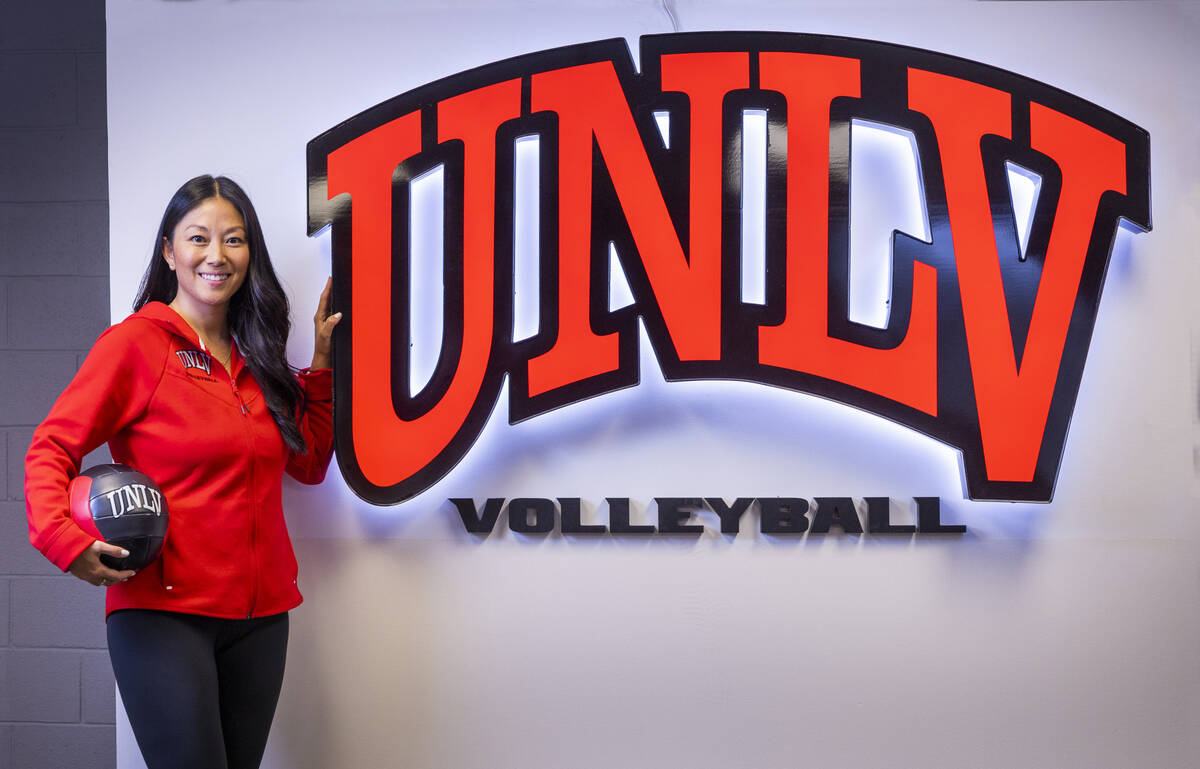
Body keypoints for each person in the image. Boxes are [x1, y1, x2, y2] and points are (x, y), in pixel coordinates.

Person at [24, 174, 341, 769]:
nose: (216, 256)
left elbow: (310, 465)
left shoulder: (259, 357)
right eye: (198, 238)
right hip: (163, 617)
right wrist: (63, 542)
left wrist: (320, 370)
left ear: (250, 253)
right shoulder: (136, 347)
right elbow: (51, 446)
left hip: (261, 619)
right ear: (170, 252)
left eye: (234, 239)